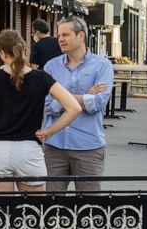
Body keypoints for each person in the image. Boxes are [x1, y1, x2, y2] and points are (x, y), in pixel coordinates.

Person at [0, 30, 81, 192]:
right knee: (33, 212)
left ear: (1, 52)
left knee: (2, 212)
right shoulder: (41, 78)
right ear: (24, 50)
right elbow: (74, 107)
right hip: (28, 150)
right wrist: (49, 131)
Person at [41, 16, 114, 191]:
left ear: (81, 36)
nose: (60, 39)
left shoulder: (102, 66)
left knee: (89, 207)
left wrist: (63, 100)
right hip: (54, 146)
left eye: (65, 34)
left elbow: (98, 103)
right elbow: (45, 104)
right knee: (52, 207)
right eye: (59, 35)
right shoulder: (51, 67)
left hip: (87, 145)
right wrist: (84, 96)